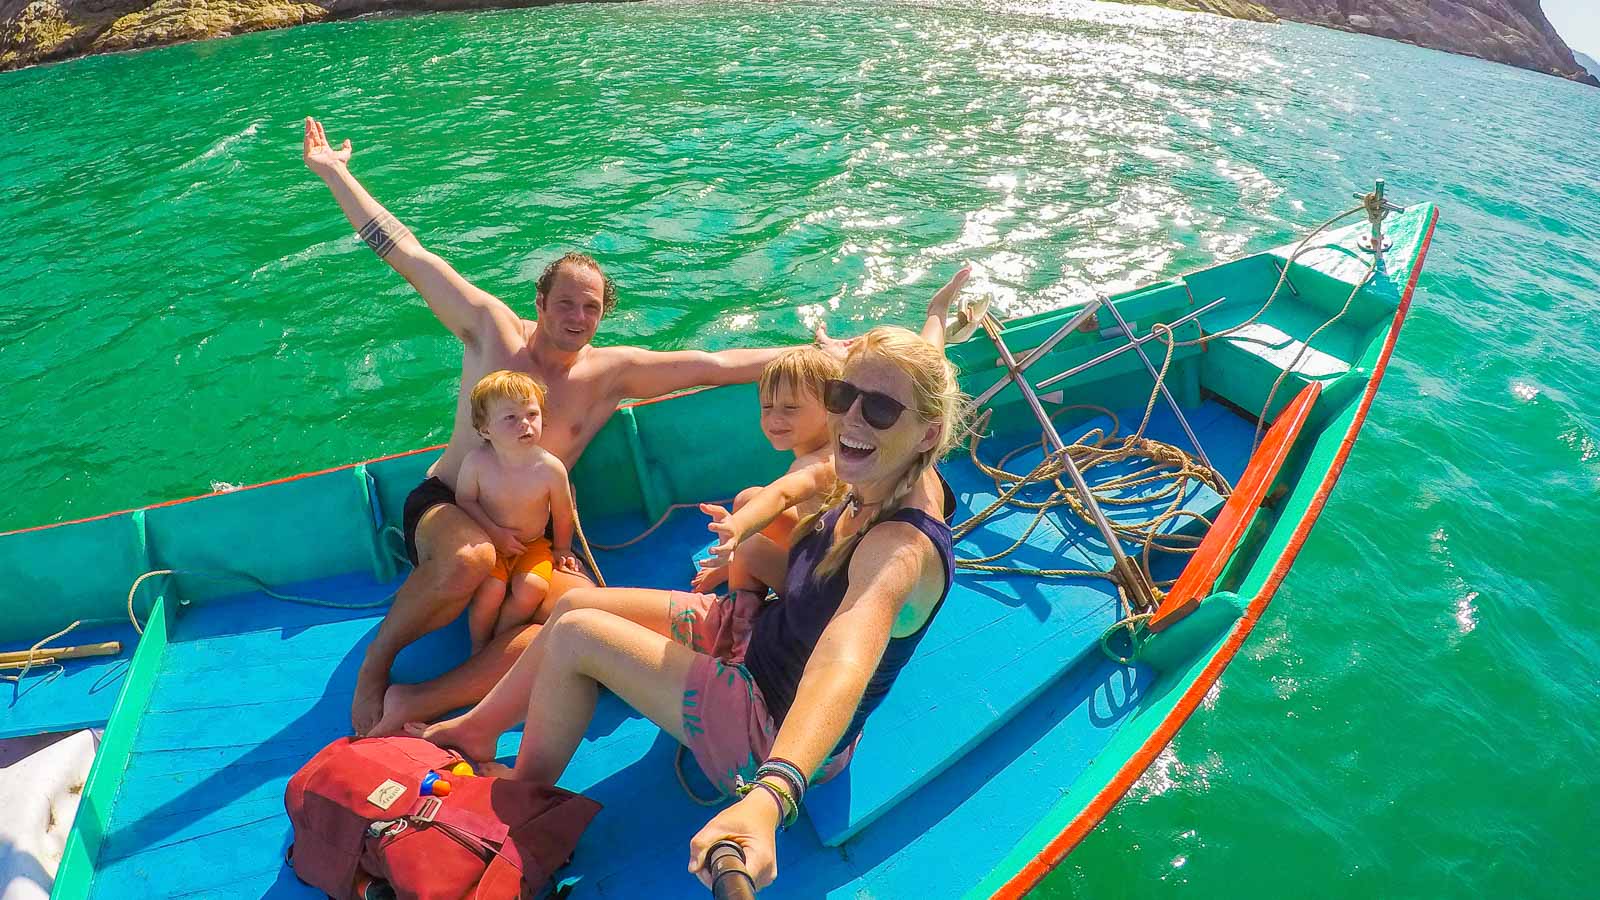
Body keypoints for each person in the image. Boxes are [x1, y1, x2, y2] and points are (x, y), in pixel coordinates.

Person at [408, 266, 972, 892]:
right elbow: (919, 373)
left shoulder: (897, 548)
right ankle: (478, 728)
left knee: (578, 636)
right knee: (574, 609)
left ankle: (521, 793)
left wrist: (772, 794)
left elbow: (845, 656)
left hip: (771, 729)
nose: (852, 420)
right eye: (844, 397)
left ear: (928, 431)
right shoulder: (887, 456)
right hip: (759, 636)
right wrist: (937, 315)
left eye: (881, 409)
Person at [300, 117, 850, 735]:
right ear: (539, 303)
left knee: (578, 621)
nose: (577, 316)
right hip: (450, 504)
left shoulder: (611, 374)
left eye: (591, 307)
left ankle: (422, 700)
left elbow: (716, 366)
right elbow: (405, 252)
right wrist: (335, 173)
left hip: (539, 534)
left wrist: (835, 354)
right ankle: (377, 665)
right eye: (565, 301)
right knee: (470, 560)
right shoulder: (489, 329)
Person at [689, 346, 841, 596]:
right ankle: (735, 571)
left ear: (832, 407)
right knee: (748, 499)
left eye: (790, 408)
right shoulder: (842, 443)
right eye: (767, 407)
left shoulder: (815, 465)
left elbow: (782, 494)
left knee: (748, 546)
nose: (774, 418)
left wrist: (736, 527)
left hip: (820, 592)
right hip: (825, 551)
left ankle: (741, 607)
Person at [455, 370, 581, 652]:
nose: (525, 423)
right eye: (510, 418)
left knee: (533, 589)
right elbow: (465, 501)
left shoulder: (550, 468)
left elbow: (562, 513)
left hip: (534, 544)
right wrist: (495, 534)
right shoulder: (477, 463)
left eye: (532, 414)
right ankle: (479, 647)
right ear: (485, 429)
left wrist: (562, 549)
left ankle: (499, 640)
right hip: (491, 544)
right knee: (491, 591)